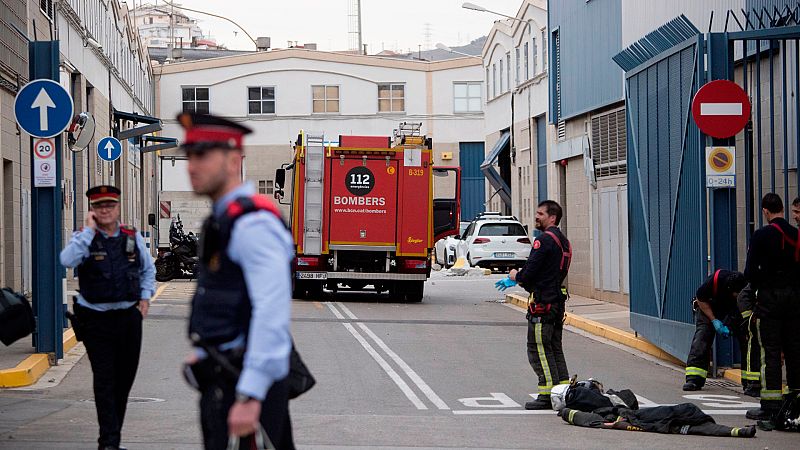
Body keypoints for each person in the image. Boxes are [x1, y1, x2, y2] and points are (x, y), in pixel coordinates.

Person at [178, 112, 295, 449]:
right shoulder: (222, 220)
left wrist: (250, 395)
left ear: (232, 159)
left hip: (244, 386)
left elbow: (271, 312)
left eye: (202, 155)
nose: (191, 166)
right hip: (222, 376)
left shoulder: (252, 224)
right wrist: (204, 351)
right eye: (189, 155)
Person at [60, 185, 155, 450]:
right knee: (104, 380)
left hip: (128, 318)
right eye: (99, 206)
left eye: (109, 205)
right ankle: (109, 443)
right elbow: (67, 260)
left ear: (117, 208)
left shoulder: (131, 237)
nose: (105, 210)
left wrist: (145, 298)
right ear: (93, 209)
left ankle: (113, 439)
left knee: (123, 381)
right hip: (96, 320)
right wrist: (88, 232)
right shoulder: (83, 238)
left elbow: (148, 270)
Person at [498, 200, 572, 410]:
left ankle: (547, 394)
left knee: (538, 349)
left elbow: (529, 273)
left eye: (540, 214)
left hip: (543, 305)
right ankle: (563, 391)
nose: (536, 217)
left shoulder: (544, 241)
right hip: (557, 303)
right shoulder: (564, 241)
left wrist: (515, 275)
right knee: (555, 348)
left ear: (552, 218)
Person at [742, 193, 800, 421]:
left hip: (770, 301)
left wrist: (761, 288)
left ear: (766, 211)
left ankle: (770, 404)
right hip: (795, 300)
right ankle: (795, 399)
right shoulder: (796, 235)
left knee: (771, 352)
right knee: (795, 350)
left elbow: (750, 272)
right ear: (783, 209)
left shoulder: (761, 235)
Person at [682, 270, 755, 395]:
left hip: (736, 311)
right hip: (710, 307)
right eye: (734, 293)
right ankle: (694, 378)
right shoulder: (715, 281)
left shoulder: (746, 286)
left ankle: (749, 382)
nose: (735, 295)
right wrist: (714, 320)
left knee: (746, 340)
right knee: (702, 336)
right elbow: (701, 299)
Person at [736, 283, 763, 398]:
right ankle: (753, 384)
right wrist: (748, 320)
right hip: (760, 318)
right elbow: (743, 296)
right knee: (755, 348)